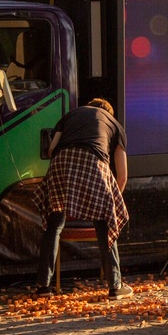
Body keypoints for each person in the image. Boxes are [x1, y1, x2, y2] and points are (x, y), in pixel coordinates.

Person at [35, 98, 133, 299]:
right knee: (105, 224)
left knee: (54, 225)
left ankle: (43, 287)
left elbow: (52, 149)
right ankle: (115, 286)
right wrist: (111, 204)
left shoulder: (70, 115)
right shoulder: (114, 125)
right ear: (108, 113)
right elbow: (122, 176)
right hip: (93, 162)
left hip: (61, 162)